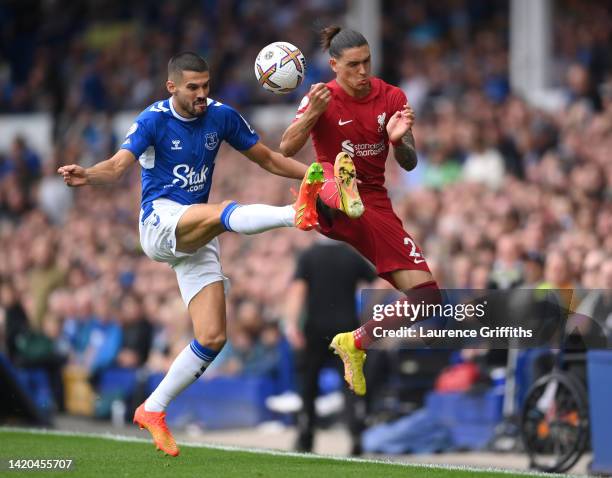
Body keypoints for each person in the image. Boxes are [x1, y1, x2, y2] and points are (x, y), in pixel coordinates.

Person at [58, 52, 324, 456]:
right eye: (193, 88)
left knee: (214, 336)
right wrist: (87, 175)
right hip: (160, 222)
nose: (202, 94)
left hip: (196, 231)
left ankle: (153, 408)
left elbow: (268, 158)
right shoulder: (153, 120)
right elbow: (115, 167)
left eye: (206, 86)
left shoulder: (221, 116)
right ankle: (295, 214)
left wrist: (311, 172)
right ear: (172, 87)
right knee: (221, 212)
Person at [279, 26, 439, 396]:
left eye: (367, 62)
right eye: (353, 65)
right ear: (334, 65)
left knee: (428, 298)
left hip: (373, 204)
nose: (363, 71)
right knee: (332, 172)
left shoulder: (392, 97)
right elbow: (287, 147)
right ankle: (336, 189)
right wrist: (311, 115)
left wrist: (399, 143)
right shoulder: (321, 97)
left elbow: (410, 163)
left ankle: (355, 342)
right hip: (331, 196)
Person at [285, 237, 376, 454]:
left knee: (309, 385)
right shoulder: (352, 256)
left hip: (315, 330)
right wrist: (369, 318)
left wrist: (291, 325)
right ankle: (356, 435)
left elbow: (298, 291)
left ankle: (306, 436)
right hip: (347, 330)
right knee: (352, 385)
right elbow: (377, 283)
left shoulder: (308, 256)